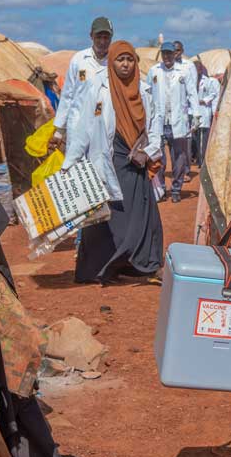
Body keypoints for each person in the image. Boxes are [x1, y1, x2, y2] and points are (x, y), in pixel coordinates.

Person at [62, 40, 164, 284]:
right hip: (109, 162)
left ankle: (144, 266)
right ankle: (99, 269)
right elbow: (83, 128)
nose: (125, 64)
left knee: (141, 217)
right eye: (120, 59)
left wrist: (148, 152)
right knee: (107, 219)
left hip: (136, 165)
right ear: (111, 62)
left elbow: (155, 125)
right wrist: (70, 163)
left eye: (130, 59)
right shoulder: (98, 89)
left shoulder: (144, 91)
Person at [49, 17, 112, 151]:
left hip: (105, 127)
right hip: (78, 126)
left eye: (106, 37)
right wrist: (59, 131)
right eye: (98, 37)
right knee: (77, 163)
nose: (102, 42)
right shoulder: (79, 60)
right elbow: (67, 95)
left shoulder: (115, 61)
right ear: (91, 36)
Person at [147, 41, 196, 202]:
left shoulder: (184, 71)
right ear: (161, 55)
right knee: (158, 157)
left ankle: (176, 189)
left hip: (178, 120)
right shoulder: (154, 71)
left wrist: (196, 115)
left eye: (170, 53)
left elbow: (192, 93)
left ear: (175, 54)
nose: (167, 56)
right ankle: (160, 188)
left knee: (179, 157)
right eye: (164, 53)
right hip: (158, 122)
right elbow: (148, 94)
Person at [174, 39, 200, 166]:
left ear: (182, 51)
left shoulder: (189, 65)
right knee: (174, 140)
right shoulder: (166, 65)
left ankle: (187, 167)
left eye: (178, 50)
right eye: (173, 50)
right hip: (172, 109)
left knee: (187, 139)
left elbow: (192, 89)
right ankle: (178, 167)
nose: (175, 53)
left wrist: (194, 111)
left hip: (186, 108)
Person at [195, 61, 221, 166]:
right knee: (195, 139)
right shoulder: (190, 80)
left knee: (203, 138)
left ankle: (202, 161)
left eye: (198, 69)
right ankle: (198, 158)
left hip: (203, 112)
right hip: (192, 113)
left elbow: (214, 94)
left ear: (201, 70)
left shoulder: (209, 81)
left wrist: (204, 100)